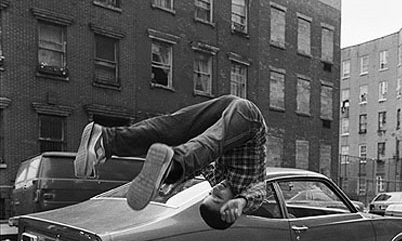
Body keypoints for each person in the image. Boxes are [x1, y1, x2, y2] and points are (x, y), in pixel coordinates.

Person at [74, 94, 267, 229]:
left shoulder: (217, 180)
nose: (216, 189)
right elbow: (259, 193)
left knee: (171, 129)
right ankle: (174, 165)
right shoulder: (248, 189)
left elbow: (199, 167)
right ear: (231, 202)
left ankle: (106, 141)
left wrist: (167, 183)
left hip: (227, 106)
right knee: (212, 143)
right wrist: (242, 203)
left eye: (211, 193)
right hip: (250, 119)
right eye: (217, 197)